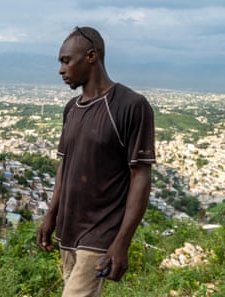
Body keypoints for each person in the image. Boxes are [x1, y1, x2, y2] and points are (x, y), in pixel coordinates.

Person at [36, 26, 156, 297]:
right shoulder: (72, 109)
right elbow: (64, 166)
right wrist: (51, 214)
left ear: (91, 57)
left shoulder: (130, 106)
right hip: (68, 231)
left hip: (100, 233)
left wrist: (122, 242)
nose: (61, 69)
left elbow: (140, 176)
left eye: (67, 60)